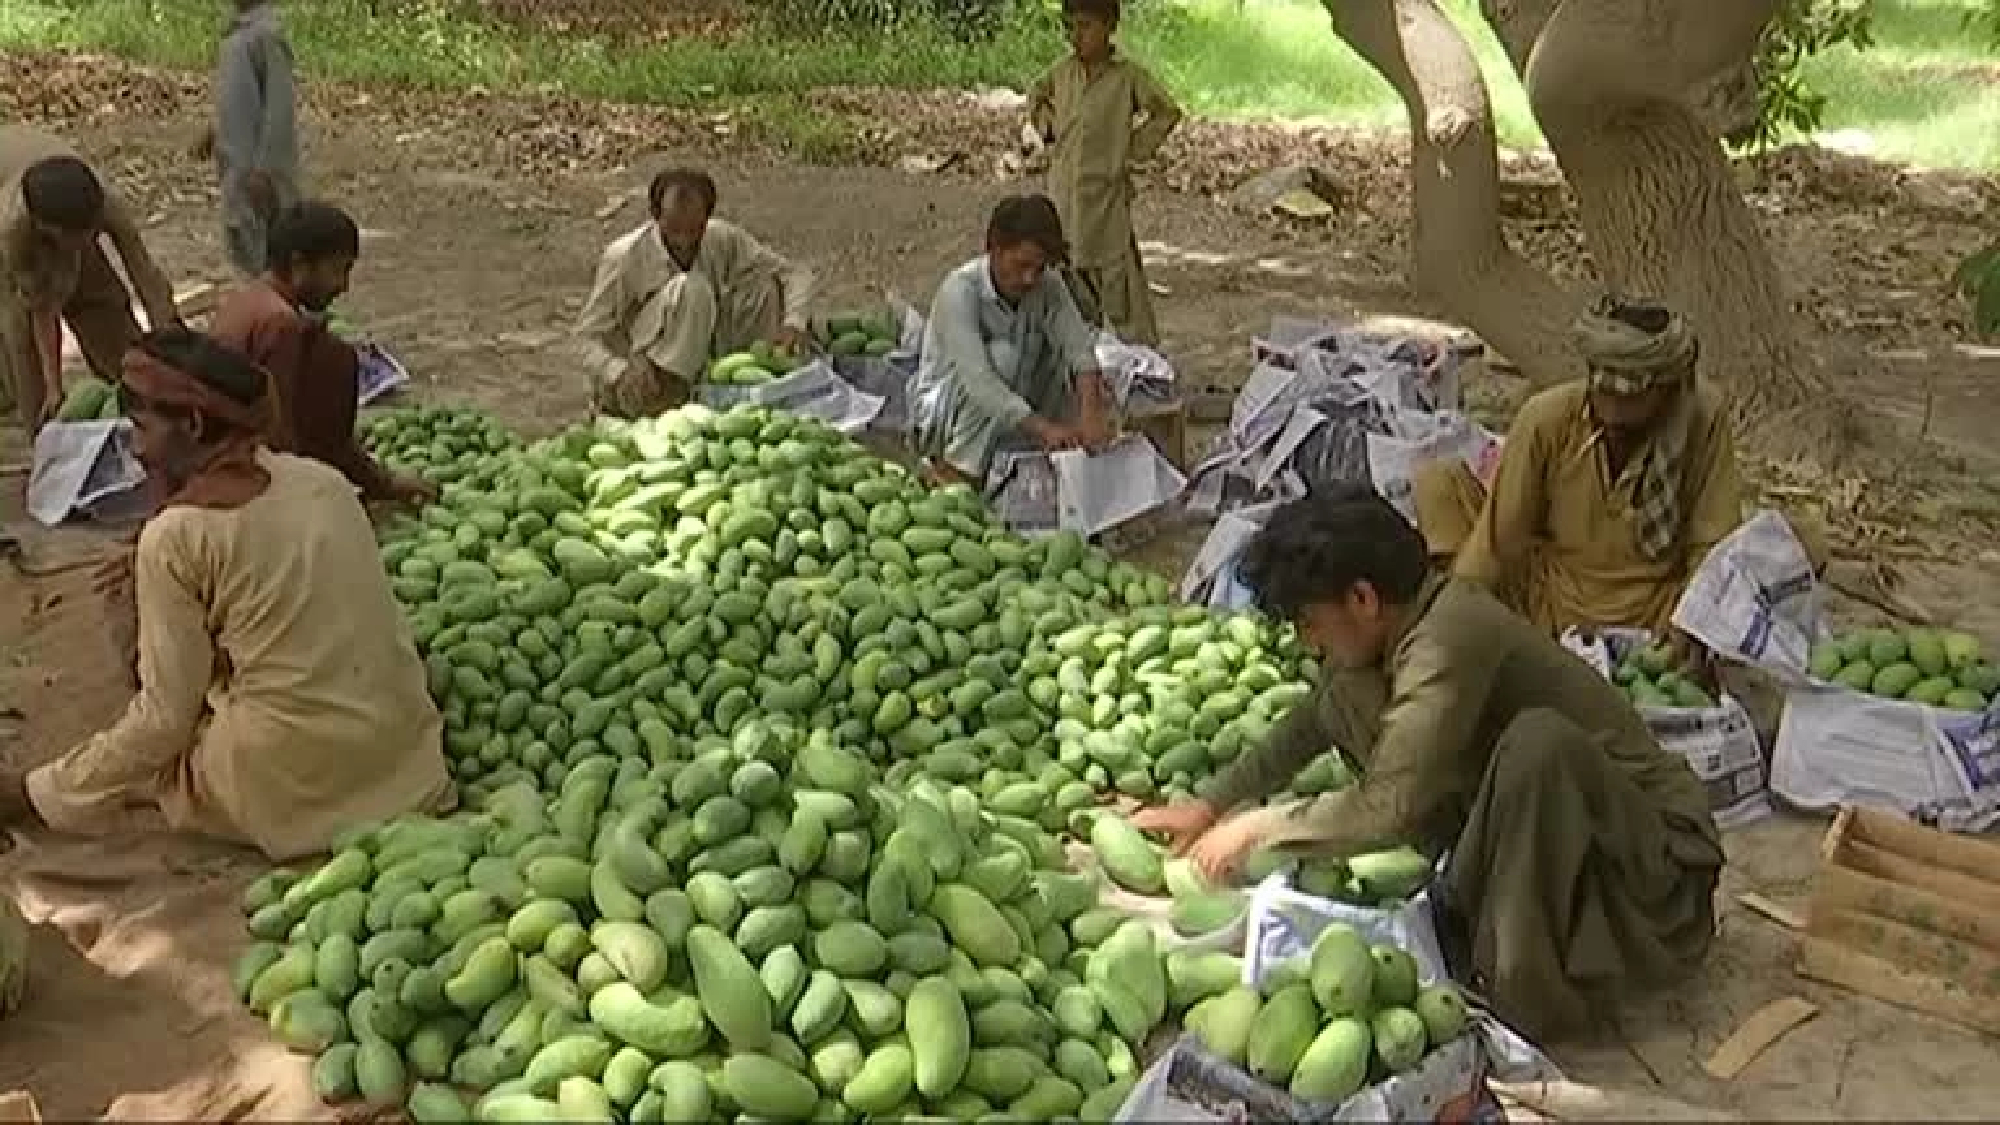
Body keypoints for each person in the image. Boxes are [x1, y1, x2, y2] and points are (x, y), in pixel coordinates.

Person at [1132, 486, 1724, 1043]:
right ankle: (1477, 916)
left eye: (1309, 622)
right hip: (1553, 826)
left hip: (1653, 865)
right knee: (1348, 692)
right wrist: (1213, 801)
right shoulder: (1392, 632)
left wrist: (1261, 826)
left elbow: (1389, 807)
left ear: (1362, 599)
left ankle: (1534, 994)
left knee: (1537, 746)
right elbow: (1316, 719)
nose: (1308, 642)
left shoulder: (1450, 636)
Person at [0, 329, 453, 861]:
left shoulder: (175, 539)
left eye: (141, 428)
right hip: (403, 760)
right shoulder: (320, 481)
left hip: (290, 789)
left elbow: (163, 720)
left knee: (167, 750)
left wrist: (35, 792)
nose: (137, 449)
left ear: (192, 425)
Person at [1413, 296, 1742, 663]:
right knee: (1438, 484)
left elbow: (1713, 546)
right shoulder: (1547, 419)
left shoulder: (1701, 420)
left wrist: (1691, 626)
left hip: (1656, 613)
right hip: (1550, 601)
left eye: (1630, 400)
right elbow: (1497, 542)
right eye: (1604, 395)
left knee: (1786, 546)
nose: (1613, 415)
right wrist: (1450, 632)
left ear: (1667, 391)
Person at [208, 200, 432, 509]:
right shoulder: (280, 323)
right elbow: (277, 435)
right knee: (336, 359)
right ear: (300, 264)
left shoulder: (248, 299)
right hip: (239, 475)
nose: (344, 287)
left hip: (219, 456)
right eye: (339, 270)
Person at [575, 167, 819, 419]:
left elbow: (794, 273)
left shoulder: (722, 238)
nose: (683, 242)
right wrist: (619, 370)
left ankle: (746, 386)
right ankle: (667, 400)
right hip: (642, 375)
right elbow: (583, 339)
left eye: (694, 230)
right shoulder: (624, 256)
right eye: (673, 228)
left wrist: (794, 323)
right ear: (656, 217)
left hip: (704, 353)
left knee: (764, 288)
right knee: (693, 290)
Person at [909, 194, 1114, 487]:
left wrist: (1091, 413)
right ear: (994, 248)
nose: (1030, 278)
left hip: (1016, 411)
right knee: (1004, 357)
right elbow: (979, 381)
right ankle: (956, 470)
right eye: (1021, 265)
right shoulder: (960, 292)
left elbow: (1079, 349)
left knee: (1085, 378)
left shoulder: (1046, 285)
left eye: (1039, 268)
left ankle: (1054, 460)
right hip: (947, 417)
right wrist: (1043, 428)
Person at [0, 126, 182, 434]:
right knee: (20, 334)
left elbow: (147, 278)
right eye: (75, 238)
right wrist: (54, 386)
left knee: (105, 309)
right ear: (46, 229)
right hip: (14, 211)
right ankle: (45, 441)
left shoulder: (106, 203)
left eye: (90, 234)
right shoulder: (14, 229)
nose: (85, 242)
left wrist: (172, 354)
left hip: (53, 200)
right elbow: (42, 310)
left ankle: (142, 407)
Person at [1028, 0, 1181, 346]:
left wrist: (1131, 151)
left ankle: (1142, 361)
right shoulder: (1061, 73)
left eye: (1085, 27)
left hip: (1107, 197)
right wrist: (1047, 127)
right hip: (1065, 195)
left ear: (1109, 27)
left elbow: (1166, 112)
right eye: (1071, 27)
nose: (1075, 36)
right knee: (1069, 278)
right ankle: (1079, 358)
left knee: (1120, 281)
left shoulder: (1127, 77)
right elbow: (1035, 97)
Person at [197, 0, 300, 277]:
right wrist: (216, 130)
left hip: (257, 169)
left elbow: (279, 109)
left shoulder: (266, 36)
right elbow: (237, 100)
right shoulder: (236, 36)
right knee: (242, 236)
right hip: (236, 163)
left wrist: (266, 169)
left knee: (268, 243)